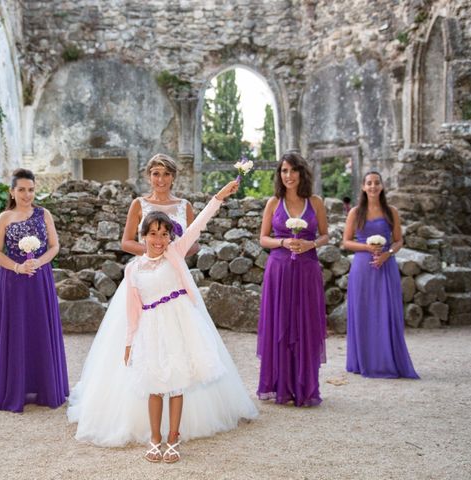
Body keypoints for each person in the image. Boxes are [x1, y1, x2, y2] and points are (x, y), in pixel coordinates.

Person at [68, 154, 257, 447]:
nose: (160, 179)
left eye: (166, 174)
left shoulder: (184, 206)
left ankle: (177, 430)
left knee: (183, 351)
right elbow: (126, 242)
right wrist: (151, 254)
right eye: (155, 174)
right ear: (149, 176)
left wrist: (174, 252)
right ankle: (143, 425)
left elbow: (194, 238)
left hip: (174, 282)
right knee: (146, 352)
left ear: (173, 177)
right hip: (145, 281)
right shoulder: (138, 205)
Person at [125, 179, 257, 463]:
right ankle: (154, 437)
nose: (159, 240)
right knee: (154, 384)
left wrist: (218, 197)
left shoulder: (174, 253)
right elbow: (132, 310)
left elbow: (199, 223)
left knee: (176, 382)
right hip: (150, 328)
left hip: (178, 322)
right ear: (143, 235)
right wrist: (129, 343)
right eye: (153, 234)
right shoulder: (132, 269)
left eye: (164, 234)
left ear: (171, 238)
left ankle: (173, 437)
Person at [0, 168, 69, 412]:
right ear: (12, 191)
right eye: (21, 189)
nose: (26, 194)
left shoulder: (44, 214)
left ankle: (44, 386)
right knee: (16, 330)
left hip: (39, 279)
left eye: (31, 189)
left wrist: (38, 263)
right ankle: (15, 388)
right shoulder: (4, 217)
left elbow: (54, 246)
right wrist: (17, 267)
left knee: (40, 328)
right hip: (13, 282)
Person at [257, 151, 329, 407]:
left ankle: (305, 386)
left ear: (302, 172)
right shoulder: (273, 203)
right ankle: (279, 385)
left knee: (305, 325)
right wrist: (284, 241)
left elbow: (325, 236)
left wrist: (311, 245)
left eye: (293, 170)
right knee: (280, 325)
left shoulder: (315, 202)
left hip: (307, 271)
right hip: (279, 270)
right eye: (284, 171)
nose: (288, 176)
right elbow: (263, 238)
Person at [342, 171, 419, 379]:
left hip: (386, 266)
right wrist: (367, 248)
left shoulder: (391, 211)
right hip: (362, 268)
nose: (373, 186)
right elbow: (346, 242)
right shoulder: (355, 213)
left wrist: (388, 254)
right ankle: (363, 361)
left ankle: (388, 360)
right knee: (364, 312)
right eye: (369, 183)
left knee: (386, 311)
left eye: (377, 183)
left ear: (382, 186)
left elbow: (398, 241)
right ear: (363, 187)